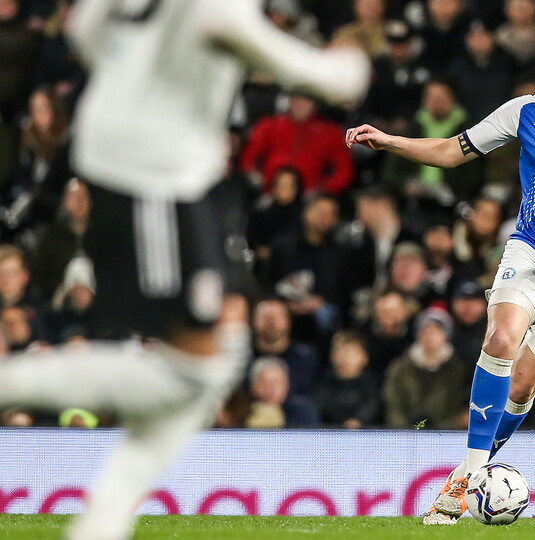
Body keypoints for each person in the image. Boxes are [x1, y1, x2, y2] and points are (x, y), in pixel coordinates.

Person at [0, 1, 369, 539]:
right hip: (151, 170)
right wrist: (340, 69)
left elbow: (83, 26)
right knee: (195, 370)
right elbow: (251, 39)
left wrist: (134, 84)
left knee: (215, 358)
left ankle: (102, 523)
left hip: (156, 165)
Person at [346, 13, 535, 525]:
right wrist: (391, 142)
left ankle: (474, 470)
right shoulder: (522, 113)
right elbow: (453, 149)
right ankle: (464, 483)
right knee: (499, 340)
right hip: (529, 249)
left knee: (522, 387)